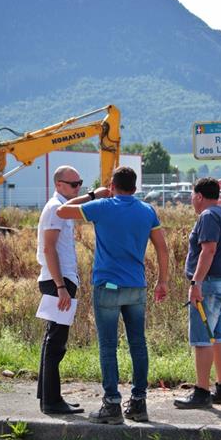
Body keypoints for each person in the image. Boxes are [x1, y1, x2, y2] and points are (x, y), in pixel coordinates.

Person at [57, 166, 169, 424]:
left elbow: (61, 211)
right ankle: (139, 403)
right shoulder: (147, 211)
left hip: (107, 286)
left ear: (112, 185)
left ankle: (112, 405)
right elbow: (162, 248)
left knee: (108, 347)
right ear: (135, 186)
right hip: (136, 287)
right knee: (138, 344)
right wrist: (162, 281)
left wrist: (92, 195)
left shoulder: (103, 205)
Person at [174, 177, 221, 409]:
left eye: (192, 195)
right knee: (218, 336)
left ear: (199, 196)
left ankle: (201, 391)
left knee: (202, 338)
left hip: (208, 285)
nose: (191, 200)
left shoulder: (208, 216)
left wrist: (196, 283)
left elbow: (208, 251)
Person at [36, 165, 85, 415]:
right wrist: (61, 287)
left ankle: (47, 395)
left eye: (80, 183)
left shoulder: (60, 206)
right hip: (59, 280)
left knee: (51, 339)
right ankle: (52, 401)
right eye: (73, 184)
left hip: (60, 279)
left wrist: (94, 196)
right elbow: (48, 248)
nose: (78, 188)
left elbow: (78, 202)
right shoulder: (56, 208)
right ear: (59, 185)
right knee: (57, 342)